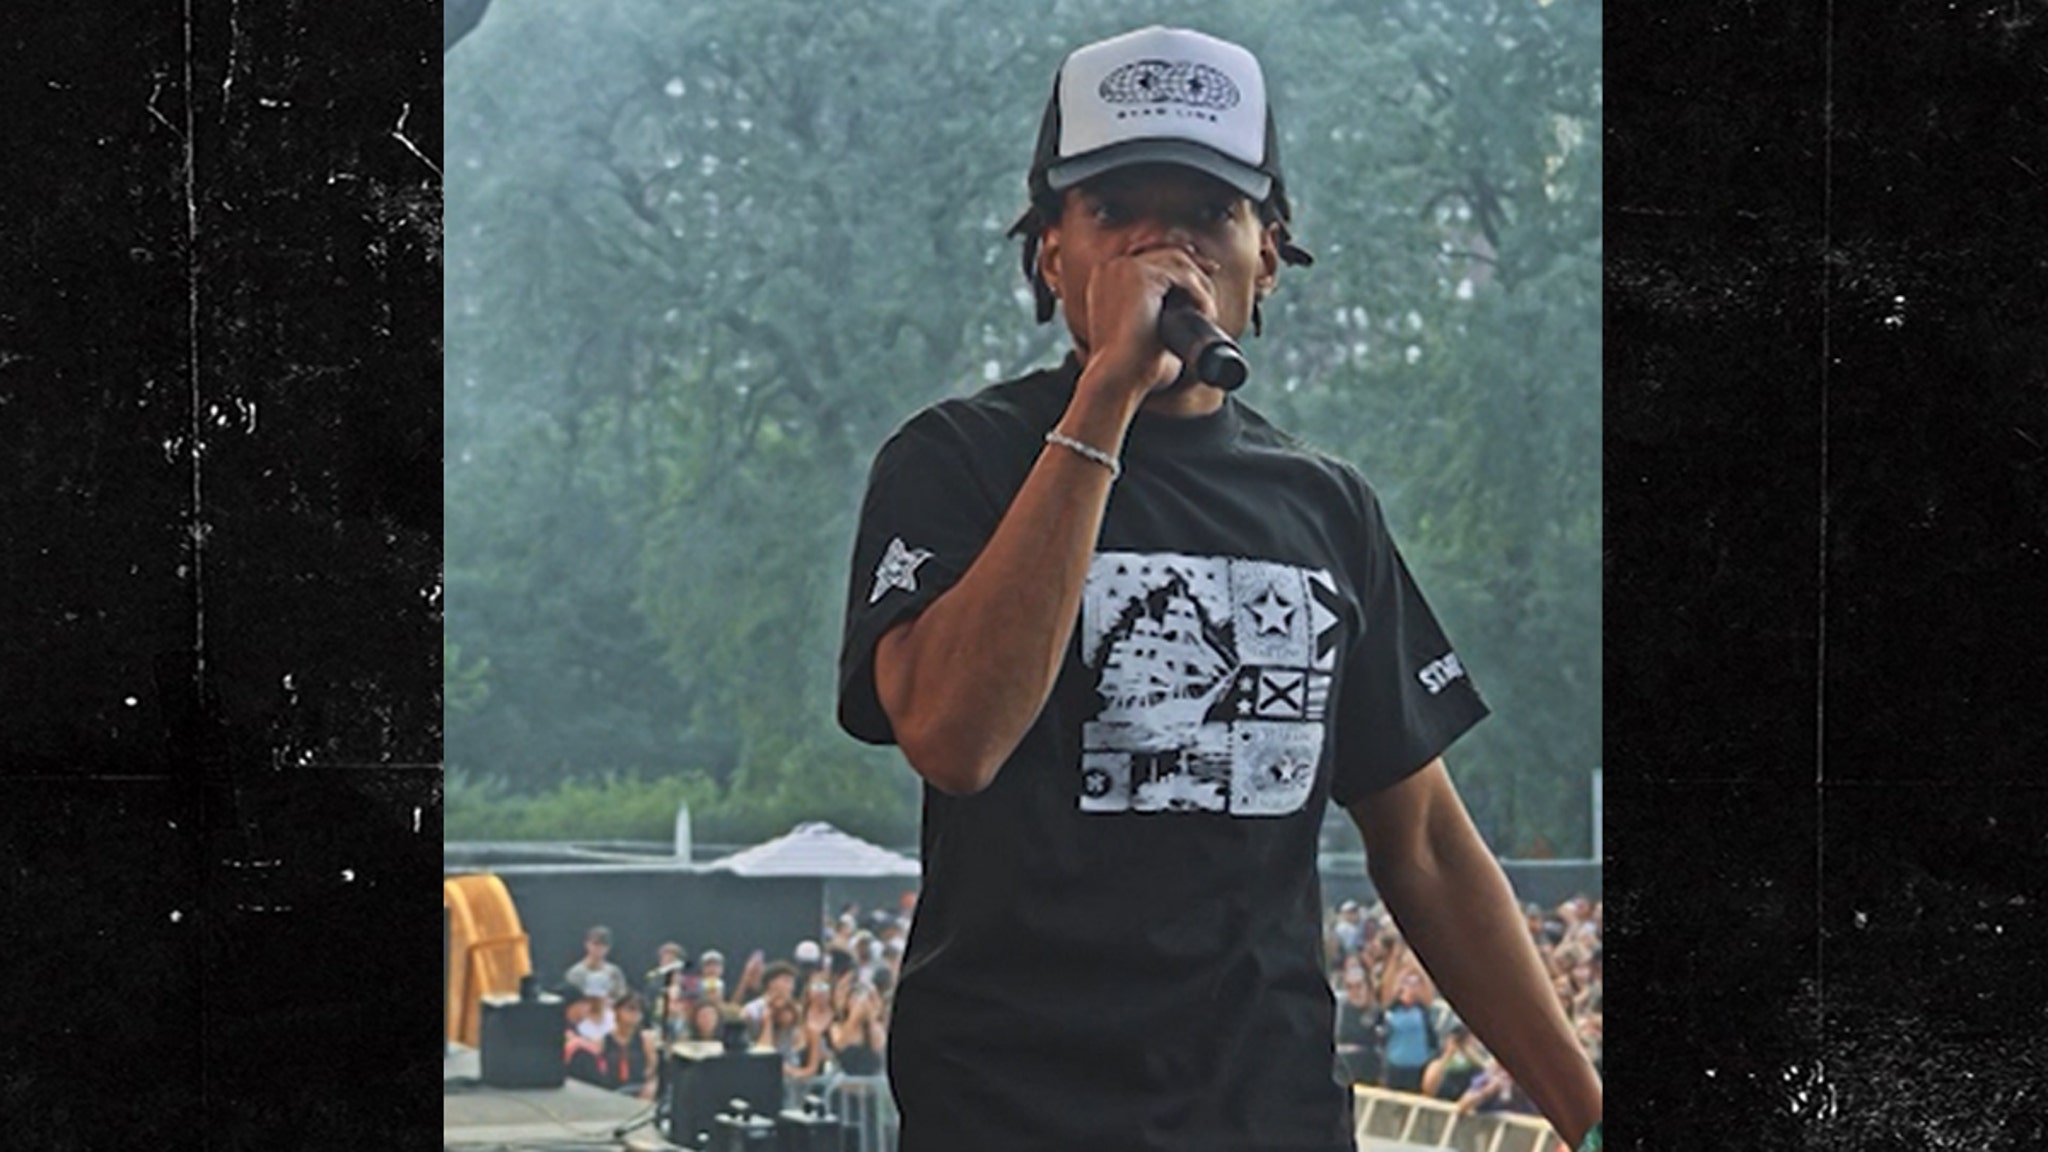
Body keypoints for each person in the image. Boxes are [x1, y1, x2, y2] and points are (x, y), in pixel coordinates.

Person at [835, 24, 1601, 1152]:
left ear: (1267, 256)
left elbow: (1426, 845)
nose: (1164, 247)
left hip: (1269, 1115)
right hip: (1009, 1116)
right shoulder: (955, 461)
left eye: (1207, 212)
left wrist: (1588, 1114)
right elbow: (955, 737)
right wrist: (1102, 401)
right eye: (1114, 211)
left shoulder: (1323, 506)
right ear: (1050, 254)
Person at [563, 925, 628, 1001]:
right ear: (587, 944)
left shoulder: (615, 972)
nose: (600, 948)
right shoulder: (575, 973)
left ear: (609, 947)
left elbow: (621, 997)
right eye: (596, 943)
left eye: (604, 944)